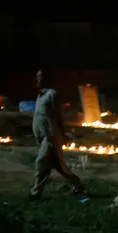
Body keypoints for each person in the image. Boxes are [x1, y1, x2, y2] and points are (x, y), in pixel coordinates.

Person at [30, 69, 85, 200]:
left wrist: (63, 134)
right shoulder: (40, 95)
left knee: (41, 162)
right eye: (37, 77)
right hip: (43, 135)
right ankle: (77, 183)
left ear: (48, 79)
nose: (38, 80)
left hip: (51, 136)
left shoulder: (52, 94)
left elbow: (58, 116)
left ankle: (35, 193)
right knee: (58, 165)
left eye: (41, 77)